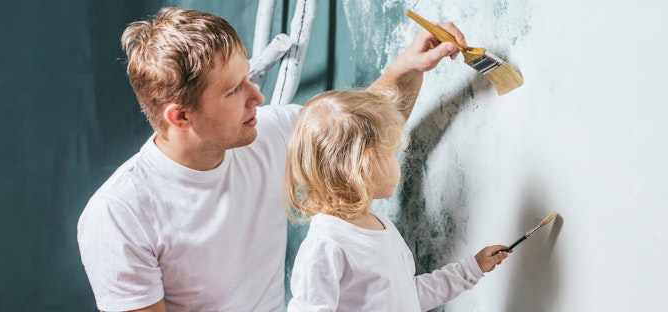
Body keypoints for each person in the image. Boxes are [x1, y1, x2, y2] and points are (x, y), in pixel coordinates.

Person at [76, 6, 468, 312]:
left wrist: (407, 68)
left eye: (248, 77)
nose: (257, 97)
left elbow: (357, 134)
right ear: (180, 116)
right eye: (233, 91)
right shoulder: (119, 215)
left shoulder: (267, 132)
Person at [284, 88, 510, 311]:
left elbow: (408, 296)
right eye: (392, 152)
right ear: (367, 165)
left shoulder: (380, 226)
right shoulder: (327, 244)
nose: (398, 161)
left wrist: (471, 269)